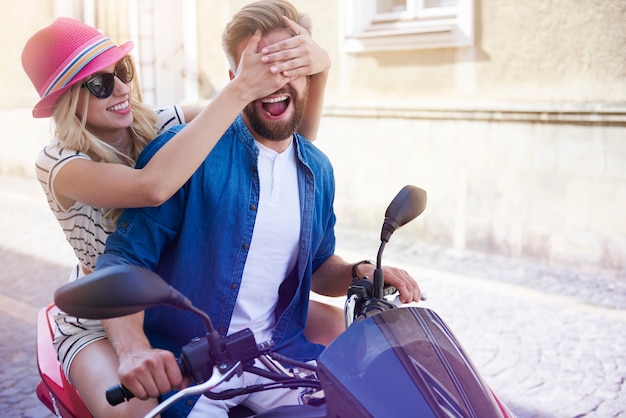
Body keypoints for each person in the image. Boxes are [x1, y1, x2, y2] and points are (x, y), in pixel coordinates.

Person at [96, 1, 423, 417]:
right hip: (193, 371)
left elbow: (318, 266)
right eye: (261, 67)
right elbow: (123, 260)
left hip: (276, 356)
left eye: (289, 66)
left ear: (308, 74)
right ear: (234, 78)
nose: (275, 80)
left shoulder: (316, 170)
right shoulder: (187, 156)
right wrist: (133, 350)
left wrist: (360, 273)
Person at [22, 14, 331, 418]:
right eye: (98, 84)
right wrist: (239, 85)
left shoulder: (158, 122)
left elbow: (276, 132)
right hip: (100, 310)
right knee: (135, 409)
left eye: (122, 71)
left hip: (172, 293)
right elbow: (152, 187)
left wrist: (318, 69)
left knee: (346, 344)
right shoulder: (59, 162)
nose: (120, 88)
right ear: (67, 100)